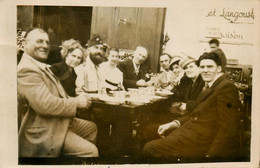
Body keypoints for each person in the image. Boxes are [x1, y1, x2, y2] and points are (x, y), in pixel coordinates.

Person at [143, 52, 241, 161]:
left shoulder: (226, 87)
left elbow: (228, 126)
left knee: (149, 148)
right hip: (190, 130)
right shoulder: (210, 85)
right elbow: (196, 113)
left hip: (200, 140)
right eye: (202, 67)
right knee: (148, 130)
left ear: (218, 69)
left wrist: (211, 157)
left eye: (209, 66)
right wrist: (174, 123)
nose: (205, 70)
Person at [17, 28, 98, 157]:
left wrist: (79, 98)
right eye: (39, 41)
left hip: (55, 121)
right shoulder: (27, 70)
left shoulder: (40, 66)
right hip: (44, 129)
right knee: (91, 151)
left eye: (47, 42)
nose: (45, 45)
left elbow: (59, 95)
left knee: (91, 128)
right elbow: (45, 105)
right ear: (24, 44)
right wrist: (76, 102)